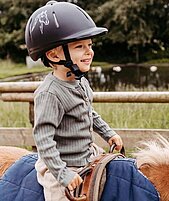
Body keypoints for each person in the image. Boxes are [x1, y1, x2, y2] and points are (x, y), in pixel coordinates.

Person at [25, 1, 123, 200]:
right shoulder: (50, 94)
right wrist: (63, 174)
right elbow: (43, 140)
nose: (89, 52)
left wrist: (108, 133)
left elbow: (88, 112)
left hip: (86, 153)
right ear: (54, 54)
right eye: (80, 46)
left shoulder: (80, 82)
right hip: (61, 164)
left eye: (90, 45)